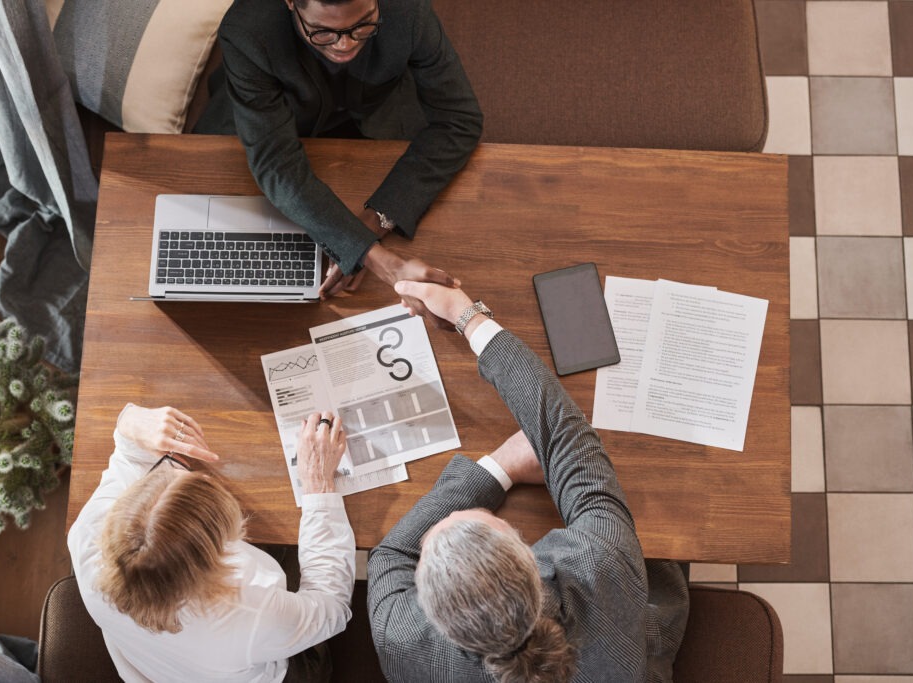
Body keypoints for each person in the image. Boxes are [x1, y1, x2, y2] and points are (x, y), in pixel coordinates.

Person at [367, 281, 691, 682]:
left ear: (430, 614)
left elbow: (390, 555)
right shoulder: (598, 562)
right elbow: (564, 436)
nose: (444, 521)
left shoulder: (400, 636)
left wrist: (499, 467)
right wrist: (466, 315)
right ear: (528, 554)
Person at [195, 0, 483, 309]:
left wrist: (373, 222)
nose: (345, 46)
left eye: (363, 24)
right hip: (273, 110)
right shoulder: (247, 29)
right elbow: (276, 165)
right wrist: (375, 257)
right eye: (322, 32)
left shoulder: (409, 9)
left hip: (377, 107)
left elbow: (459, 119)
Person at [67, 404, 354, 682]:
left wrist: (130, 419)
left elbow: (127, 458)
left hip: (157, 665)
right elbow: (330, 606)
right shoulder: (251, 614)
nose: (179, 465)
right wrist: (318, 486)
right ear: (223, 548)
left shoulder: (88, 536)